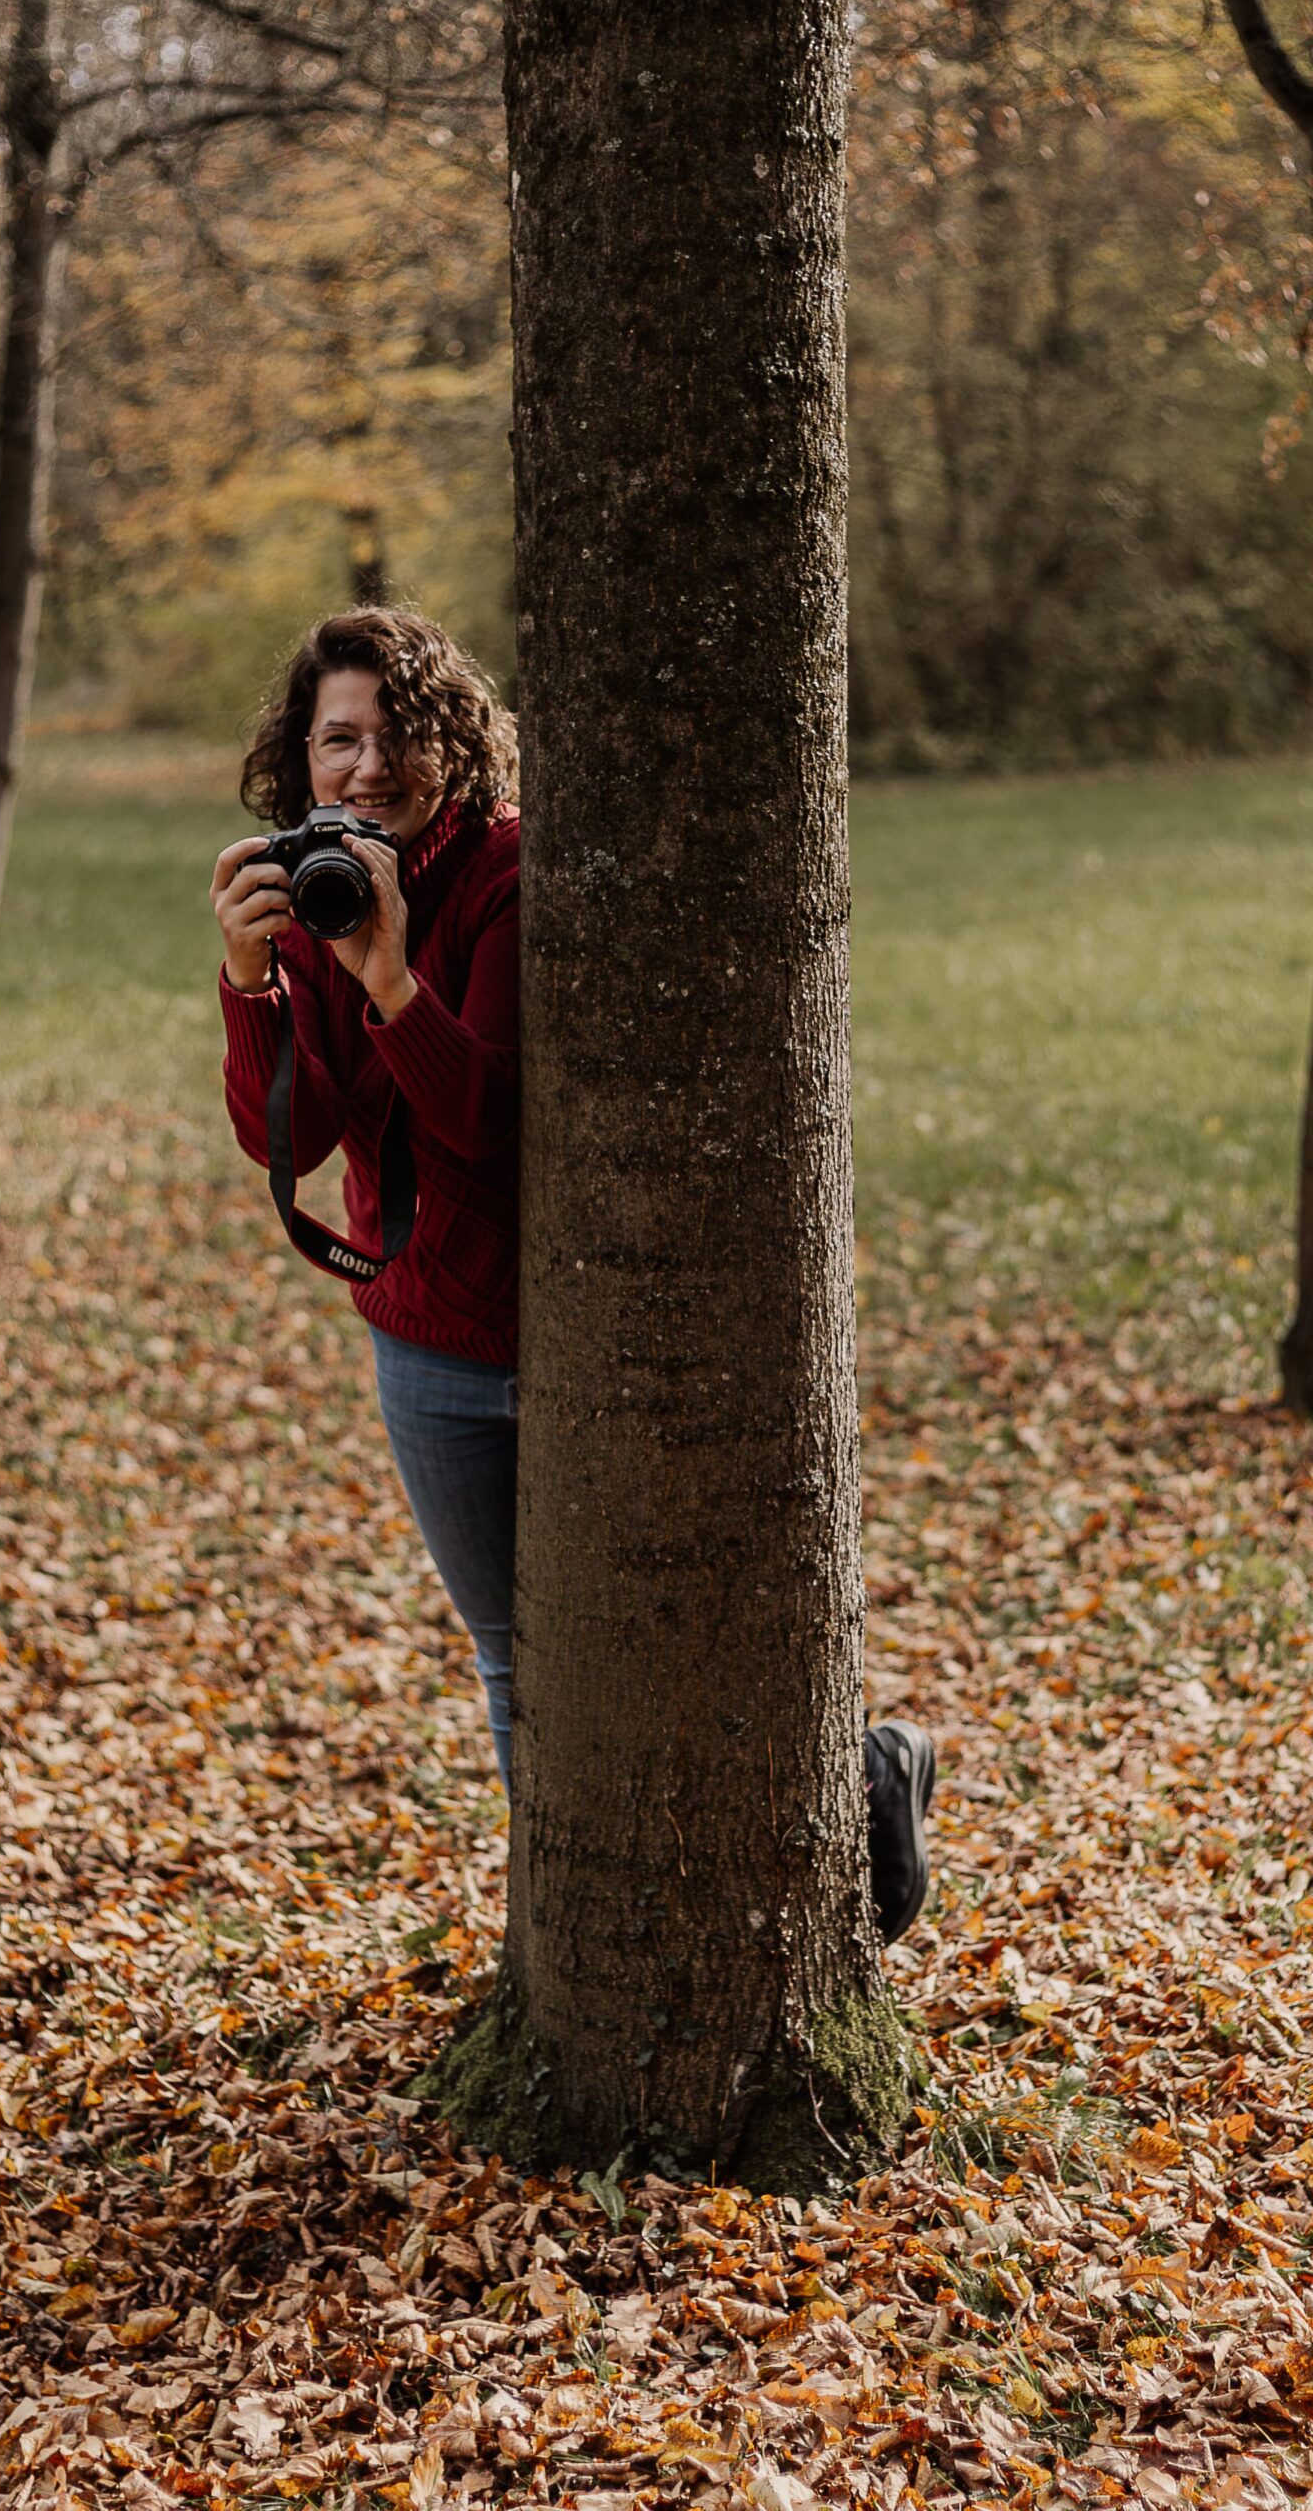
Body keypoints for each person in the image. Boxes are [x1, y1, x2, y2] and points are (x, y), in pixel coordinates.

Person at [210, 604, 936, 1939]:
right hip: (428, 1342)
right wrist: (255, 978)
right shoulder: (308, 886)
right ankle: (572, 1945)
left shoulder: (507, 876)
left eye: (396, 734)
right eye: (337, 740)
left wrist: (386, 975)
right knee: (515, 1657)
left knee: (694, 1630)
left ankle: (862, 1777)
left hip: (591, 1335)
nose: (365, 769)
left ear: (453, 740)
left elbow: (483, 1120)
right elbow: (292, 1138)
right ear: (300, 758)